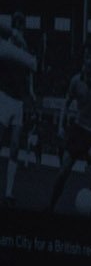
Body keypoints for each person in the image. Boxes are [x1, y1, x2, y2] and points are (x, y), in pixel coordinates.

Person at [47, 45, 91, 212]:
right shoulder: (75, 81)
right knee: (63, 172)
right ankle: (50, 207)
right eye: (86, 58)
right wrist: (60, 125)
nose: (88, 61)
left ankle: (88, 196)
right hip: (77, 131)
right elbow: (66, 103)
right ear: (83, 60)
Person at [0, 24, 34, 202]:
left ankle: (9, 191)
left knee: (14, 147)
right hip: (4, 98)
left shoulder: (23, 51)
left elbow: (29, 73)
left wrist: (30, 92)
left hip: (18, 102)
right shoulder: (6, 46)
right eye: (17, 25)